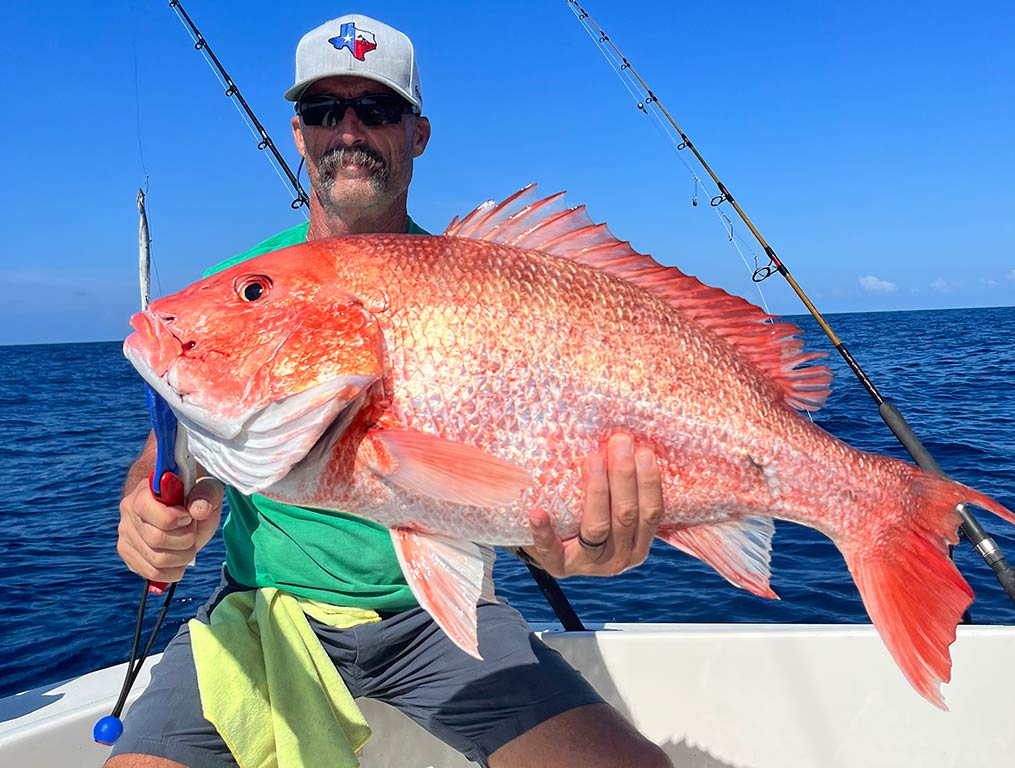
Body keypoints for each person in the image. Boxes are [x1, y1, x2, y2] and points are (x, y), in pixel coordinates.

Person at [108, 13, 671, 768]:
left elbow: (530, 482)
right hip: (264, 611)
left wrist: (583, 537)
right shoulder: (244, 287)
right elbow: (171, 451)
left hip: (439, 616)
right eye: (322, 110)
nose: (349, 129)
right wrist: (152, 507)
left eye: (376, 109)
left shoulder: (489, 281)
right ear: (298, 132)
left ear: (418, 132)